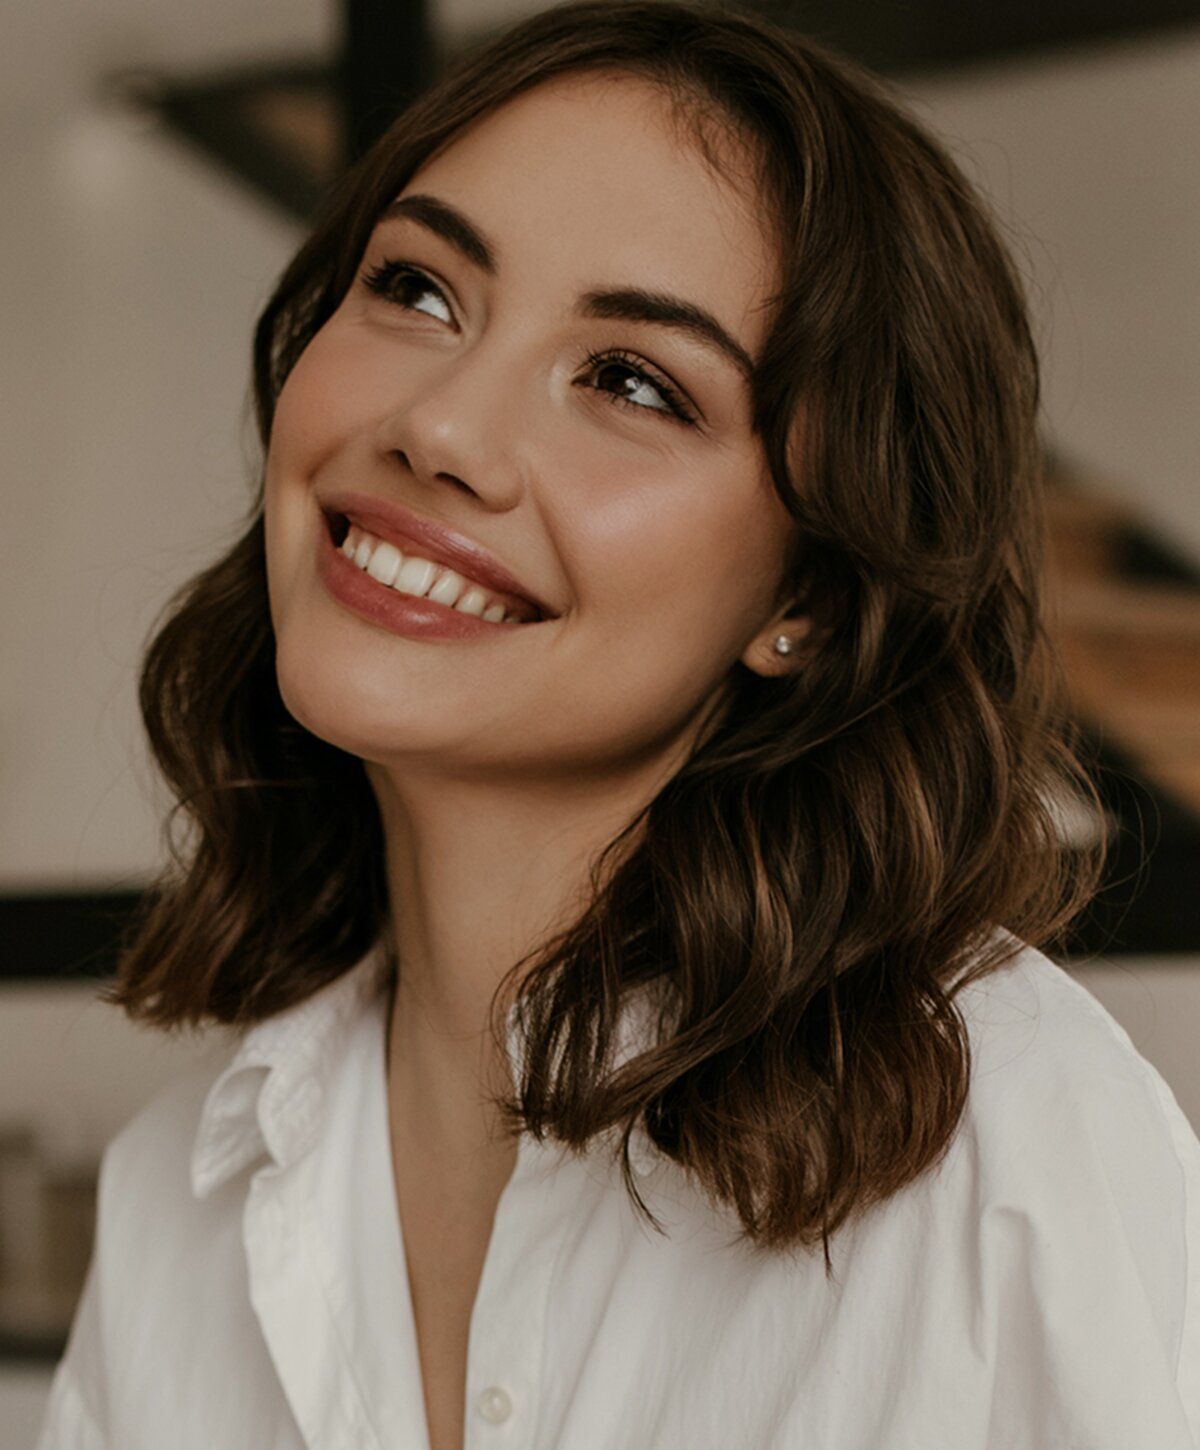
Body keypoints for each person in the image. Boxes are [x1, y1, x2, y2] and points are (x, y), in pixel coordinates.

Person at [36, 1, 1200, 1446]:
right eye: (417, 289)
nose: (440, 428)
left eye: (633, 381)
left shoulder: (1008, 1157)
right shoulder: (178, 1205)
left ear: (810, 596)